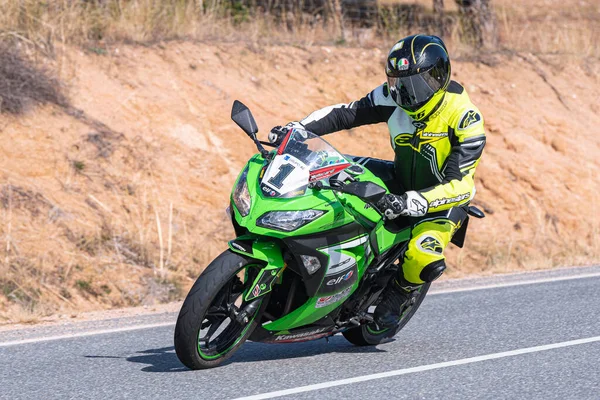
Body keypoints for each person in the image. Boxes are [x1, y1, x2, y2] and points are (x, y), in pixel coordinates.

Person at [269, 34, 486, 328]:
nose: (406, 94)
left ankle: (400, 292)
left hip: (441, 200)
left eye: (417, 84)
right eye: (400, 83)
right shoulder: (392, 97)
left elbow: (461, 184)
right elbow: (344, 114)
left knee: (422, 254)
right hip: (398, 178)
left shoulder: (464, 117)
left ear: (439, 77)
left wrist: (416, 201)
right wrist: (296, 130)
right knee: (330, 172)